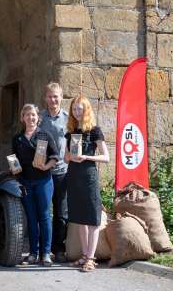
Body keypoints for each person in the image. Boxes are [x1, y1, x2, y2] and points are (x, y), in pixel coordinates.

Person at [64, 95, 109, 273]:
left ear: (86, 109)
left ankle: (91, 258)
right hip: (73, 177)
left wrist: (86, 157)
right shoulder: (70, 133)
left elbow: (106, 157)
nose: (76, 112)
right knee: (79, 219)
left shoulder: (95, 131)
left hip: (89, 177)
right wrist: (70, 157)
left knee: (92, 219)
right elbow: (66, 158)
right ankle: (84, 255)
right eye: (74, 109)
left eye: (79, 109)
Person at [11, 104, 59, 266]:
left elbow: (54, 156)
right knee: (31, 218)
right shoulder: (17, 139)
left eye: (33, 115)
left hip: (43, 181)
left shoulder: (45, 135)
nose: (30, 118)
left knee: (44, 217)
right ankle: (33, 253)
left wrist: (46, 166)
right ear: (22, 118)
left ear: (38, 117)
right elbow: (15, 160)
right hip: (25, 182)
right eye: (27, 115)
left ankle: (45, 253)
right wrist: (14, 169)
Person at [38, 82, 69, 263]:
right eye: (50, 96)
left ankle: (59, 249)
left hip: (61, 172)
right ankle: (44, 250)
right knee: (43, 212)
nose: (53, 99)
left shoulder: (67, 118)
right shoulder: (39, 118)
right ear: (45, 98)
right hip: (42, 171)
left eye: (56, 96)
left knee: (61, 213)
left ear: (61, 97)